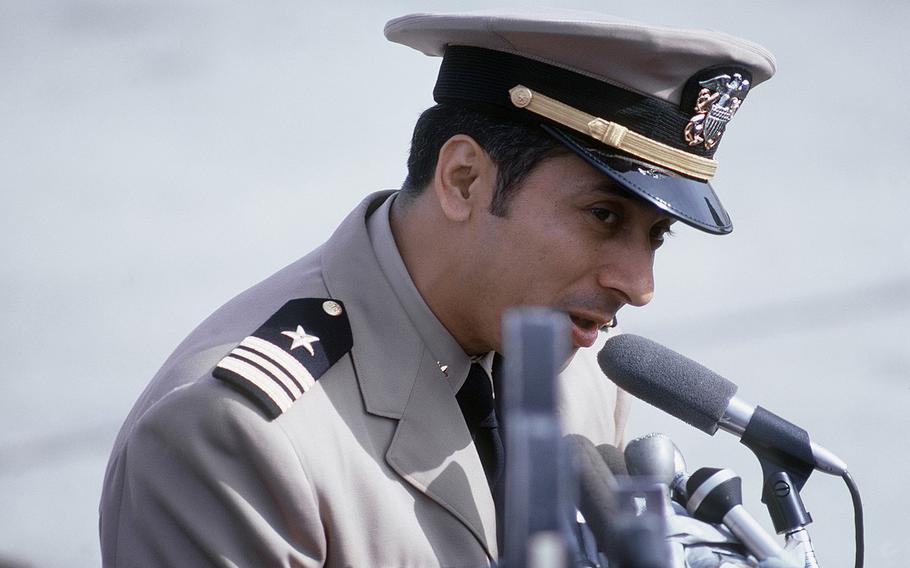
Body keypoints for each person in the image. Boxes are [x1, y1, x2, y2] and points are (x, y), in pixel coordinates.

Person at [99, 10, 775, 567]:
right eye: (604, 217)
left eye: (657, 236)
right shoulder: (237, 436)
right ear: (463, 180)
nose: (639, 286)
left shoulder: (586, 368)